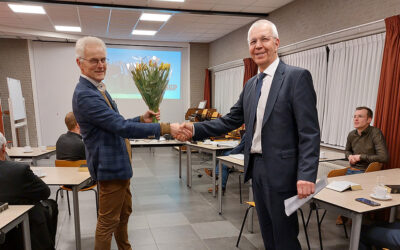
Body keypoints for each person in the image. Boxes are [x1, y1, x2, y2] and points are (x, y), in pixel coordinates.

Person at [182, 19, 320, 249]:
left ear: (276, 43)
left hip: (284, 173)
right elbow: (228, 121)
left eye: (264, 39)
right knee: (267, 233)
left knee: (285, 237)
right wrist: (194, 129)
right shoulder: (251, 85)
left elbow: (309, 132)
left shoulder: (297, 77)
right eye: (253, 41)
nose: (258, 45)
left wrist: (306, 174)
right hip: (257, 169)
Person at [72, 36, 189, 250]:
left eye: (104, 60)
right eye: (94, 60)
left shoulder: (98, 88)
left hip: (119, 167)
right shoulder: (85, 95)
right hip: (110, 169)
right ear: (80, 63)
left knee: (123, 215)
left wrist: (140, 119)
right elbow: (121, 127)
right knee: (107, 223)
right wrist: (166, 128)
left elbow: (118, 123)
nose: (101, 65)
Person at [0, 132, 58, 250]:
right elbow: (45, 192)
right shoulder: (19, 170)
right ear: (4, 148)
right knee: (50, 205)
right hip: (26, 227)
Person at [345, 106, 389, 174]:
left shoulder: (375, 133)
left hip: (367, 172)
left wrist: (361, 157)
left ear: (369, 120)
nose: (356, 119)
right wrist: (349, 156)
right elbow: (347, 150)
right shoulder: (351, 134)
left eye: (360, 116)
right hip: (351, 169)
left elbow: (384, 157)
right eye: (354, 116)